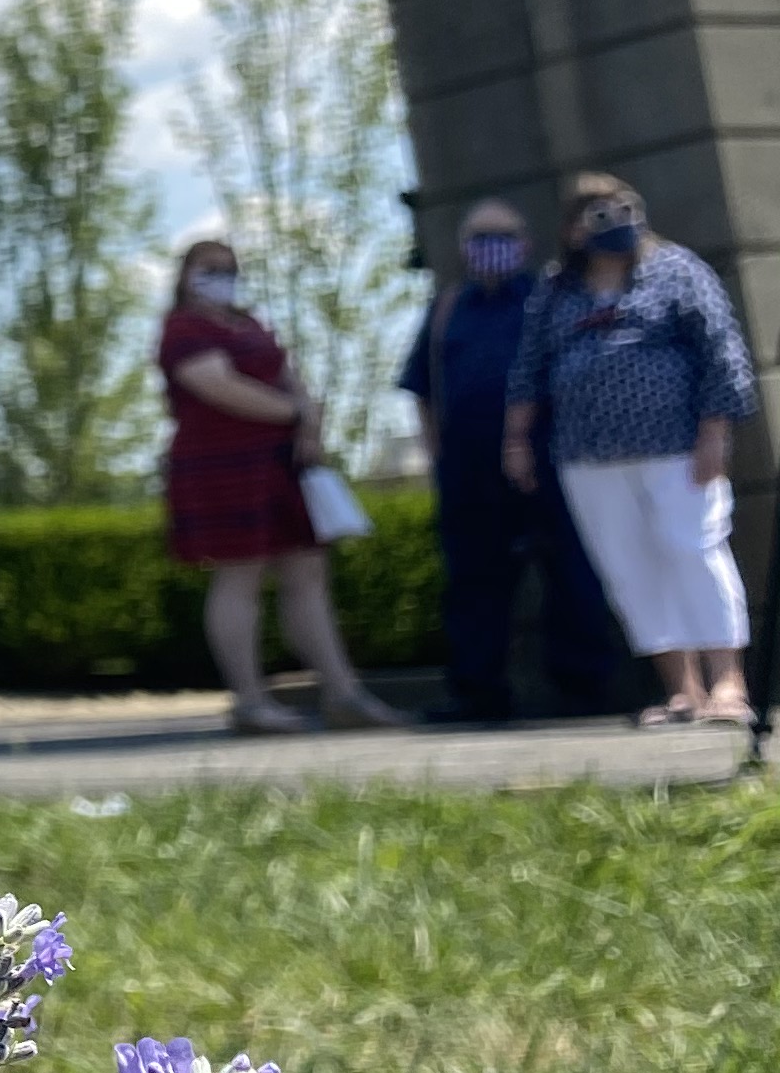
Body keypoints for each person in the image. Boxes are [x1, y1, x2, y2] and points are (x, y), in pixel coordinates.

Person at [503, 171, 760, 726]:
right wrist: (517, 438)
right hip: (588, 457)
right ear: (572, 229)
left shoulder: (677, 269)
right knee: (629, 569)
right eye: (597, 214)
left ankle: (729, 684)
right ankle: (682, 690)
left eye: (622, 209)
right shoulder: (555, 289)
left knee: (692, 551)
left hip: (677, 449)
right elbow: (529, 368)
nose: (612, 222)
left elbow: (721, 352)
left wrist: (715, 433)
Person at [159, 237, 403, 733]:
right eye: (207, 268)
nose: (219, 276)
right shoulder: (182, 329)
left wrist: (309, 421)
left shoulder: (248, 323)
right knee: (240, 576)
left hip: (281, 465)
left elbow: (287, 375)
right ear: (184, 275)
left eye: (228, 267)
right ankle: (249, 701)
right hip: (221, 466)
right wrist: (295, 413)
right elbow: (217, 385)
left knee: (307, 573)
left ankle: (343, 693)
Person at [400, 197, 626, 719]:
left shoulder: (548, 300)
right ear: (462, 249)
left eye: (502, 236)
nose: (491, 248)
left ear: (525, 244)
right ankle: (478, 693)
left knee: (572, 573)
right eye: (480, 238)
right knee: (474, 581)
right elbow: (421, 386)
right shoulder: (447, 308)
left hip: (549, 460)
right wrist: (436, 449)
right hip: (468, 470)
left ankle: (581, 689)